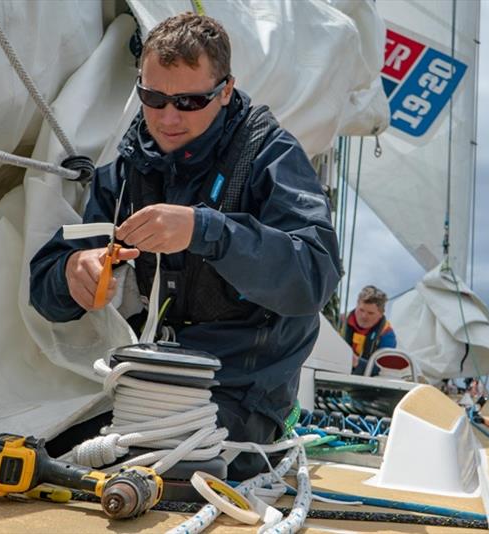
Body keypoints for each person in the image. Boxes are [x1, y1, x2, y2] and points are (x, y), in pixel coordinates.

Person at [29, 13, 341, 480]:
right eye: (153, 98)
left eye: (190, 101)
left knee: (163, 473)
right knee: (39, 453)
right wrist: (72, 273)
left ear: (226, 90)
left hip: (241, 390)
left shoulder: (270, 156)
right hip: (144, 382)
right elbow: (48, 290)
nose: (168, 118)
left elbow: (314, 274)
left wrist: (206, 230)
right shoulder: (128, 171)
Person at [341, 285, 397, 376]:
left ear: (381, 313)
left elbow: (383, 369)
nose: (364, 316)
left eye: (370, 313)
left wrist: (357, 362)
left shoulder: (387, 334)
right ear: (357, 305)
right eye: (361, 310)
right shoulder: (340, 322)